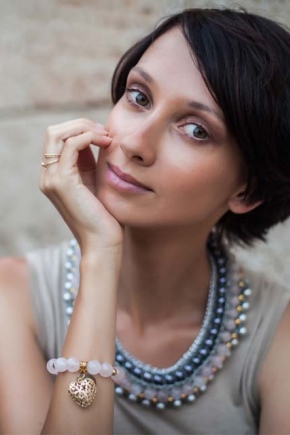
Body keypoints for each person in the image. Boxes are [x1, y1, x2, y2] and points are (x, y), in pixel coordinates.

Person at [1, 7, 290, 434]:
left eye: (195, 130)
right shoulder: (13, 296)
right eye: (139, 97)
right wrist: (99, 256)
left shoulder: (276, 335)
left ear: (248, 190)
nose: (135, 142)